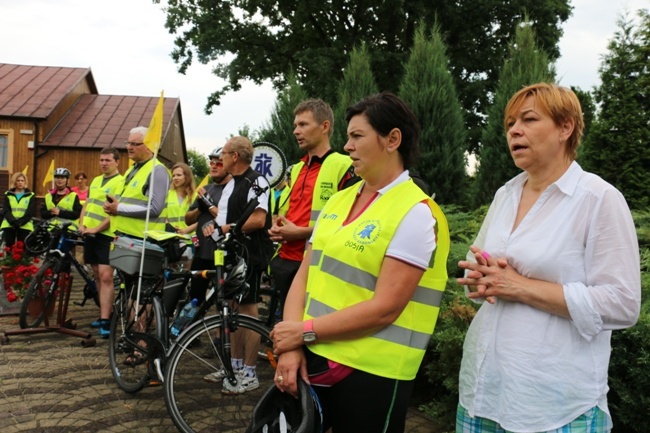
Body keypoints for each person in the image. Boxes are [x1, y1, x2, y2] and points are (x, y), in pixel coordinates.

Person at [455, 83, 641, 433]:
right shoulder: (505, 194)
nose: (514, 130)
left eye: (528, 119)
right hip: (483, 393)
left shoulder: (598, 199)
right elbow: (476, 275)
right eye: (510, 122)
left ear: (565, 128)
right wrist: (481, 279)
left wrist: (521, 286)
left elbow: (623, 303)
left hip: (555, 408)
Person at [270, 92, 450, 433]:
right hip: (316, 357)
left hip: (373, 375)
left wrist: (301, 333)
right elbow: (304, 276)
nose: (347, 146)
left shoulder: (415, 212)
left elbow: (386, 308)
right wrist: (291, 347)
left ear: (393, 139)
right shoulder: (339, 200)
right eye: (347, 137)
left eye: (357, 136)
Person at [268, 98, 355, 316]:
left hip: (316, 265)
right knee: (286, 331)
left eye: (303, 125)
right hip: (285, 261)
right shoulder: (296, 169)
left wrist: (300, 233)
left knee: (306, 334)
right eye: (295, 125)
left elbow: (350, 223)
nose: (296, 131)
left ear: (325, 126)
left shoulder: (345, 166)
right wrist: (277, 225)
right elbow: (289, 211)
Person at [202, 136, 273, 394]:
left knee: (246, 313)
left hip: (250, 254)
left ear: (235, 156)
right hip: (231, 254)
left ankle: (250, 372)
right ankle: (233, 365)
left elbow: (258, 220)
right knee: (231, 311)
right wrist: (215, 229)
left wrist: (227, 227)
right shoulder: (232, 184)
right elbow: (224, 220)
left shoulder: (257, 180)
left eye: (224, 153)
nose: (220, 158)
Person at [78, 148, 124, 338]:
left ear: (117, 162)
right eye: (101, 160)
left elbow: (116, 211)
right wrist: (81, 224)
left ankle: (107, 319)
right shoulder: (96, 181)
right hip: (90, 233)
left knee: (106, 276)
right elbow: (88, 205)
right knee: (96, 274)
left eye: (108, 160)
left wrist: (97, 229)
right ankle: (103, 313)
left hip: (106, 234)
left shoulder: (121, 182)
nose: (104, 163)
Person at [103, 126, 170, 238]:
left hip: (142, 240)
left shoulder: (158, 170)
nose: (129, 147)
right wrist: (111, 205)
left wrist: (118, 208)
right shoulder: (132, 168)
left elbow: (155, 209)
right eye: (128, 143)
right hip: (122, 235)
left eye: (134, 144)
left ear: (148, 146)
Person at [184, 147, 232, 303]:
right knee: (195, 299)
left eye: (218, 164)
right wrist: (199, 208)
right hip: (201, 253)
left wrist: (209, 205)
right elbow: (188, 219)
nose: (213, 166)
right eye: (211, 162)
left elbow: (228, 219)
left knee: (223, 301)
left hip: (223, 254)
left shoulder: (233, 190)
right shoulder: (206, 189)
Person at [166, 162, 197, 260]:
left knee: (186, 273)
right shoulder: (167, 195)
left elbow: (201, 219)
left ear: (187, 176)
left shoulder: (195, 196)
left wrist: (187, 230)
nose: (175, 178)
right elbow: (162, 216)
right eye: (173, 175)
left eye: (179, 175)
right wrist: (171, 229)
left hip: (190, 241)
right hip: (171, 241)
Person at [1, 172, 36, 247]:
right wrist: (13, 222)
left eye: (22, 181)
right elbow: (6, 210)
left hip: (24, 225)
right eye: (18, 180)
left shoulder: (30, 195)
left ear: (25, 182)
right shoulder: (8, 194)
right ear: (14, 182)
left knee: (21, 249)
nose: (20, 182)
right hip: (9, 224)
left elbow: (30, 212)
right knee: (9, 249)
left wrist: (20, 223)